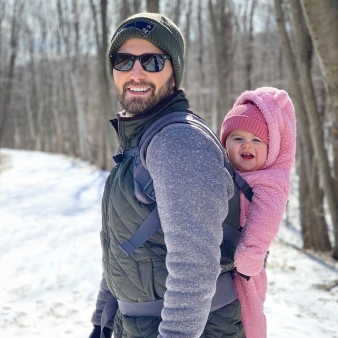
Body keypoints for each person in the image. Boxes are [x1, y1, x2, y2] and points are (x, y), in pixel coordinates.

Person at [88, 13, 245, 338]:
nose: (136, 72)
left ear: (174, 70)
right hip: (139, 323)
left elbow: (196, 268)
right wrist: (103, 318)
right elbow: (127, 244)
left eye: (153, 61)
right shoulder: (142, 139)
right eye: (123, 60)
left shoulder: (178, 142)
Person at [220, 87, 297, 338]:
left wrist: (249, 256)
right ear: (224, 142)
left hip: (246, 270)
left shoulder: (271, 181)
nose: (247, 145)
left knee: (248, 315)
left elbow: (265, 222)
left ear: (271, 148)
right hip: (220, 263)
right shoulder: (224, 172)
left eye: (256, 140)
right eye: (238, 138)